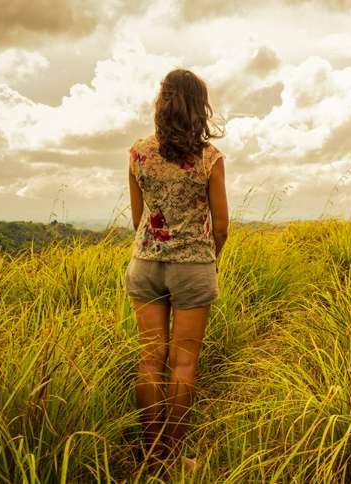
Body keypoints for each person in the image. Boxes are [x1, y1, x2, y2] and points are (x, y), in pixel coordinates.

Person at [124, 68, 228, 474]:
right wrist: (208, 256)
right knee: (183, 363)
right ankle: (175, 457)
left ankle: (152, 457)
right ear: (197, 107)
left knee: (151, 358)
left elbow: (139, 218)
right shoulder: (209, 158)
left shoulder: (137, 153)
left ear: (162, 104)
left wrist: (156, 245)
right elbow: (221, 225)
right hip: (193, 267)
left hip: (146, 263)